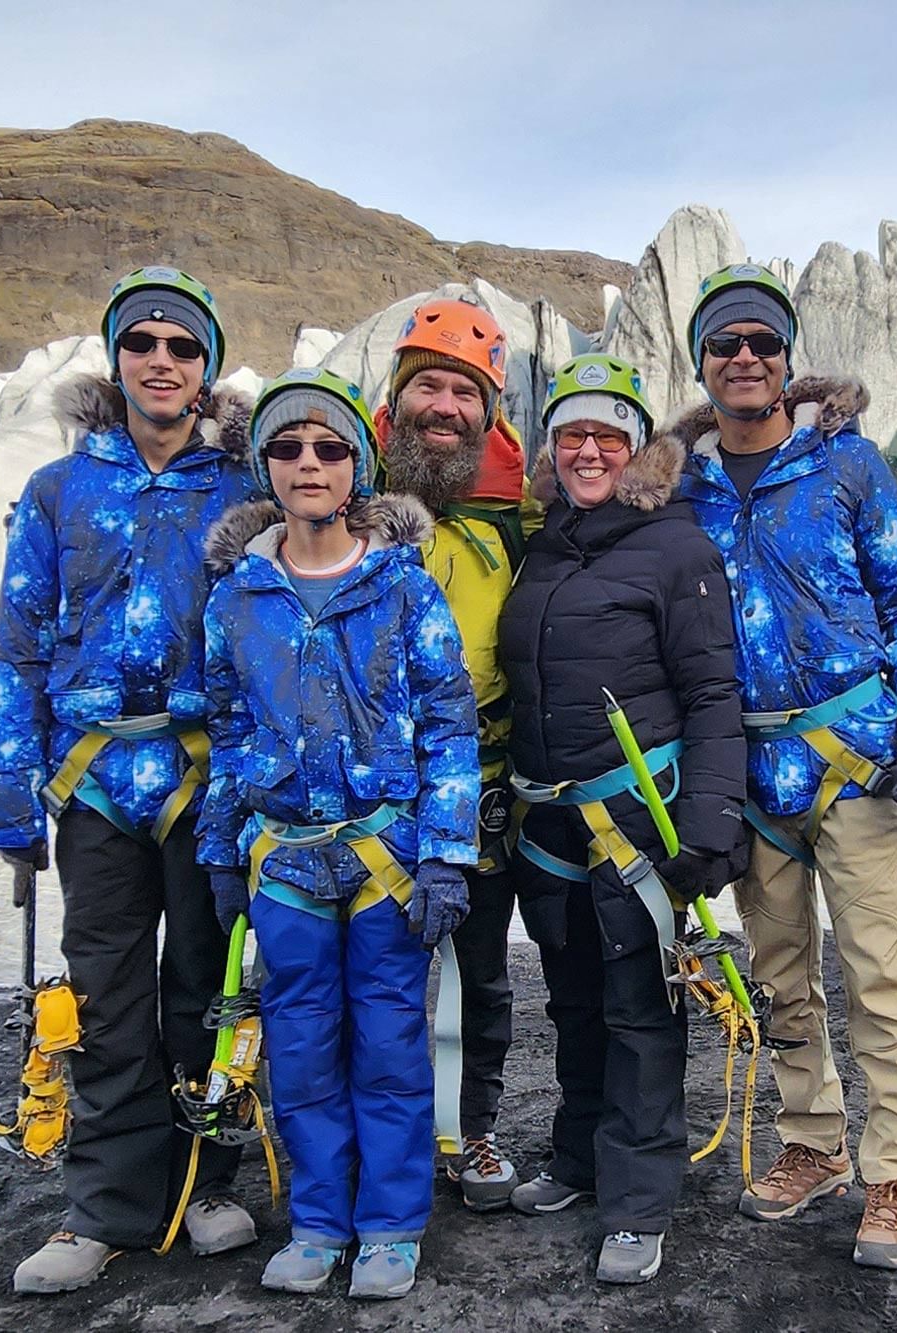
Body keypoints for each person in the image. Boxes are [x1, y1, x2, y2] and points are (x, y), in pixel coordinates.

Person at [669, 264, 897, 1271]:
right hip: (748, 770)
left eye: (762, 342)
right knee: (780, 974)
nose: (744, 358)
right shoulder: (683, 489)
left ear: (786, 358)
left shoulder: (845, 463)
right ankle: (813, 1142)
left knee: (881, 974)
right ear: (701, 363)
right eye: (724, 344)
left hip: (853, 759)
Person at [0, 266, 260, 1295]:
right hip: (94, 782)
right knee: (103, 994)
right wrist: (9, 795)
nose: (160, 359)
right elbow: (18, 649)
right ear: (116, 357)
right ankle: (103, 1206)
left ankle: (203, 1183)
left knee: (206, 986)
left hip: (203, 778)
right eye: (141, 341)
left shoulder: (241, 488)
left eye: (182, 346)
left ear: (206, 368)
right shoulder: (60, 491)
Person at [197, 367, 480, 1299]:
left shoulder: (405, 590)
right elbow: (227, 730)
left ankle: (391, 1223)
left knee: (391, 1045)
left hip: (383, 859)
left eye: (328, 447)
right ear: (264, 466)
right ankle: (320, 1222)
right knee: (301, 1045)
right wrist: (220, 850)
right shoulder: (237, 599)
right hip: (283, 862)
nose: (308, 462)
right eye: (287, 447)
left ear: (357, 466)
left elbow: (449, 726)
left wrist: (446, 853)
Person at [496, 354, 747, 1284]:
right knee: (573, 1000)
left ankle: (639, 1202)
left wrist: (712, 820)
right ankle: (579, 1159)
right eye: (572, 435)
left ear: (639, 447)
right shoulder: (545, 544)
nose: (590, 451)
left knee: (640, 1004)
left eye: (609, 435)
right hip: (551, 820)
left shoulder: (677, 547)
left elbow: (712, 690)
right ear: (552, 448)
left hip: (636, 819)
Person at [372, 298, 542, 1209]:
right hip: (365, 795)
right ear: (396, 399)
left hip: (481, 788)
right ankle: (387, 1136)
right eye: (427, 386)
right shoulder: (341, 496)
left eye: (464, 393)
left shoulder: (517, 519)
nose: (444, 407)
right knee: (372, 975)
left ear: (489, 411)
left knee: (480, 972)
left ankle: (471, 1128)